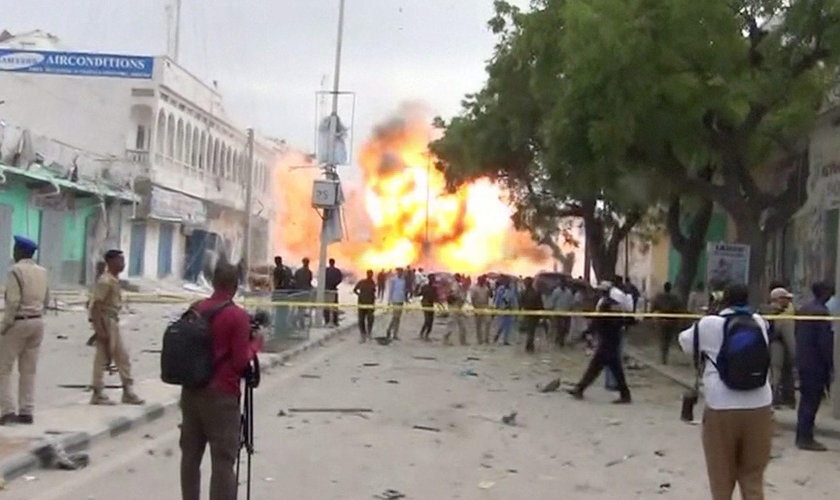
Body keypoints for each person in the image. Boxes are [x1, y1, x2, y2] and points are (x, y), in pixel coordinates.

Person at [677, 284, 773, 500]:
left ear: (722, 301)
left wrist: (710, 315)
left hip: (722, 407)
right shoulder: (759, 321)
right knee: (753, 476)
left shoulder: (709, 324)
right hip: (760, 405)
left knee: (721, 475)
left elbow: (684, 342)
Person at [180, 262, 263, 500]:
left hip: (191, 393)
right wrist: (255, 344)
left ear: (214, 283)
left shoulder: (196, 308)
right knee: (223, 462)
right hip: (221, 397)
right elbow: (239, 362)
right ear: (235, 286)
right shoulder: (236, 316)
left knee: (190, 458)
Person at [0, 236, 49, 425]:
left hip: (18, 322)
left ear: (20, 252)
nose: (13, 252)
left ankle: (7, 411)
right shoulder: (42, 272)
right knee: (28, 370)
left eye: (15, 249)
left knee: (4, 369)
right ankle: (27, 411)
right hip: (37, 322)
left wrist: (4, 325)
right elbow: (46, 299)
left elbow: (13, 301)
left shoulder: (15, 271)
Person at [90, 250, 144, 406]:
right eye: (120, 261)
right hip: (106, 320)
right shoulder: (105, 281)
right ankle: (100, 392)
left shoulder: (113, 280)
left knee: (118, 356)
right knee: (107, 357)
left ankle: (125, 391)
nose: (123, 264)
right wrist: (99, 329)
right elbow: (96, 306)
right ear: (111, 262)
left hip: (112, 320)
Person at [566, 282, 632, 404]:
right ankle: (580, 389)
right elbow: (625, 320)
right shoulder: (615, 305)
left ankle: (580, 389)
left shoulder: (606, 305)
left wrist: (585, 333)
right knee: (610, 370)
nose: (598, 292)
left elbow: (597, 322)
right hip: (612, 340)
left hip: (607, 341)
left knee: (597, 368)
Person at [795, 281, 835, 451]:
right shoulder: (821, 313)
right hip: (816, 364)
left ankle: (802, 435)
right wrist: (830, 365)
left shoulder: (804, 309)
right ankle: (805, 437)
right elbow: (824, 343)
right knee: (811, 402)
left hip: (804, 360)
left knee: (805, 401)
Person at [761, 287, 796, 408]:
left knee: (785, 372)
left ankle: (786, 397)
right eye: (786, 299)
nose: (789, 301)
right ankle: (774, 397)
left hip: (779, 344)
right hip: (775, 345)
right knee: (776, 372)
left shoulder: (785, 311)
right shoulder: (774, 312)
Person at [651, 282, 684, 365]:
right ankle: (665, 354)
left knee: (663, 338)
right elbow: (679, 308)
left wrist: (650, 315)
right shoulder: (675, 298)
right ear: (670, 288)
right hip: (671, 321)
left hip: (661, 320)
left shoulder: (659, 297)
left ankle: (663, 356)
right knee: (668, 338)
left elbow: (653, 307)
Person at [354, 270, 377, 343]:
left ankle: (369, 333)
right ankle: (363, 334)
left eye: (371, 274)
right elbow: (355, 290)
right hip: (362, 303)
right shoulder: (362, 282)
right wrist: (360, 295)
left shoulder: (372, 283)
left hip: (370, 304)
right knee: (361, 320)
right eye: (369, 274)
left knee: (370, 319)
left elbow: (373, 293)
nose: (370, 275)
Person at [549, 282, 574, 346]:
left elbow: (571, 302)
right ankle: (560, 341)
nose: (563, 285)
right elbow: (552, 301)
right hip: (558, 312)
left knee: (564, 328)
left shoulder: (569, 292)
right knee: (559, 327)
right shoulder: (556, 292)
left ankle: (559, 339)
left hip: (566, 313)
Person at [493, 277, 517, 345]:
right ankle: (497, 335)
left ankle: (505, 340)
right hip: (502, 308)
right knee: (501, 324)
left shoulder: (512, 289)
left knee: (508, 326)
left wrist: (516, 308)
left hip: (510, 309)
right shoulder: (500, 289)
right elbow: (497, 298)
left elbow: (514, 299)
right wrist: (496, 307)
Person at [385, 268, 407, 340]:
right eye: (399, 272)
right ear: (397, 272)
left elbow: (403, 291)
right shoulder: (393, 280)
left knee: (398, 318)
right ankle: (389, 330)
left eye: (401, 272)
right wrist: (389, 301)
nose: (400, 273)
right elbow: (391, 291)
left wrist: (405, 299)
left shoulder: (403, 281)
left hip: (401, 300)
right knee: (395, 317)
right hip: (395, 300)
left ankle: (394, 333)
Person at [470, 275, 492, 344]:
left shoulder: (486, 288)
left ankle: (486, 338)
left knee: (488, 322)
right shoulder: (474, 288)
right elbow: (472, 299)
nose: (483, 281)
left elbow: (490, 296)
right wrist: (475, 308)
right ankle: (479, 340)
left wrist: (489, 287)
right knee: (478, 325)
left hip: (485, 306)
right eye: (482, 280)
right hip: (477, 306)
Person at [324, 258, 343, 327]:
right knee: (335, 306)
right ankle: (335, 321)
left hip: (326, 290)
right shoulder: (337, 271)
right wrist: (334, 284)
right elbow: (340, 279)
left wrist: (327, 284)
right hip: (334, 290)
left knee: (326, 306)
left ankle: (327, 321)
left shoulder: (325, 270)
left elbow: (321, 277)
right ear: (334, 263)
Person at [418, 275, 437, 341]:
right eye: (432, 279)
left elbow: (435, 298)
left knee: (430, 321)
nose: (433, 280)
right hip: (426, 305)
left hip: (430, 305)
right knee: (427, 320)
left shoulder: (434, 288)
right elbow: (419, 294)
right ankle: (423, 334)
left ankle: (426, 334)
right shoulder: (425, 287)